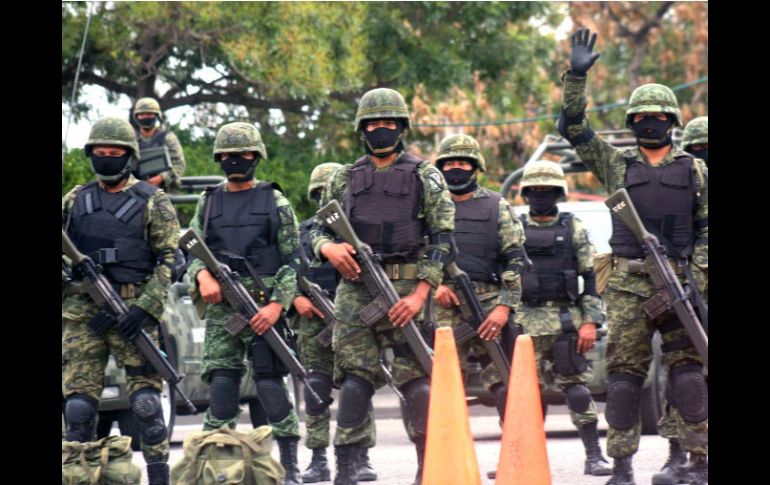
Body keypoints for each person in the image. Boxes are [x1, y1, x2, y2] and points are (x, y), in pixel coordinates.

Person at [558, 28, 708, 485]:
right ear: (631, 122)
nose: (649, 123)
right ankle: (621, 466)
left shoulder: (696, 169)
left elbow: (706, 230)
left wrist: (697, 277)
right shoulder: (616, 164)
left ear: (671, 121)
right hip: (627, 284)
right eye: (641, 116)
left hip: (680, 282)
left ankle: (696, 461)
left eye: (657, 116)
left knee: (688, 375)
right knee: (624, 378)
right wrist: (575, 78)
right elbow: (574, 128)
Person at [308, 87, 455, 485]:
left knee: (416, 380)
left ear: (401, 127)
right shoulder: (343, 177)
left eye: (388, 123)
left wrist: (421, 293)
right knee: (354, 380)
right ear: (362, 130)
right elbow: (316, 229)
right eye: (373, 124)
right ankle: (346, 467)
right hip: (356, 287)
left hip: (408, 287)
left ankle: (428, 466)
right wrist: (328, 248)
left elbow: (443, 240)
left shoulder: (426, 176)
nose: (381, 130)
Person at [185, 121, 304, 485]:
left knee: (269, 382)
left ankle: (290, 466)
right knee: (222, 382)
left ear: (257, 156)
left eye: (244, 154)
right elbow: (192, 249)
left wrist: (277, 306)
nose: (236, 160)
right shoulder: (208, 201)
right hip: (224, 306)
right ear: (219, 158)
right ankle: (214, 466)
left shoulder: (275, 201)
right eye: (228, 155)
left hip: (265, 303)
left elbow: (294, 260)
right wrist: (202, 277)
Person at [62, 117, 179, 485]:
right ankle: (77, 475)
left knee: (147, 405)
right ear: (91, 154)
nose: (107, 158)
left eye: (115, 152)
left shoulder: (153, 200)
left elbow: (170, 259)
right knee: (78, 408)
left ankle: (158, 477)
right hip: (82, 313)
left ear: (129, 156)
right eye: (101, 152)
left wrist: (145, 308)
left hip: (133, 310)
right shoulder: (75, 199)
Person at [516, 160, 612, 477]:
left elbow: (591, 278)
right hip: (524, 324)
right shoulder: (514, 228)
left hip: (565, 321)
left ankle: (594, 456)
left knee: (577, 389)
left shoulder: (574, 228)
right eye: (535, 190)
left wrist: (590, 322)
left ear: (558, 193)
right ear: (526, 193)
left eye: (547, 190)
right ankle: (518, 459)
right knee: (520, 394)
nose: (541, 195)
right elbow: (503, 275)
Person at [289, 162, 378, 483]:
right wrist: (294, 299)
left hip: (352, 317)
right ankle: (318, 459)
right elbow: (285, 270)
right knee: (315, 388)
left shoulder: (359, 232)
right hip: (314, 322)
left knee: (358, 383)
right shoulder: (303, 234)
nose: (325, 201)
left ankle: (361, 456)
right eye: (319, 195)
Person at [132, 97, 186, 190]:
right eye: (142, 114)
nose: (145, 117)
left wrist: (161, 178)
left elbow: (179, 165)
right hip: (138, 190)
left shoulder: (168, 138)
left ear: (157, 115)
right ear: (136, 117)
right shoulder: (132, 140)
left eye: (149, 114)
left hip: (166, 190)